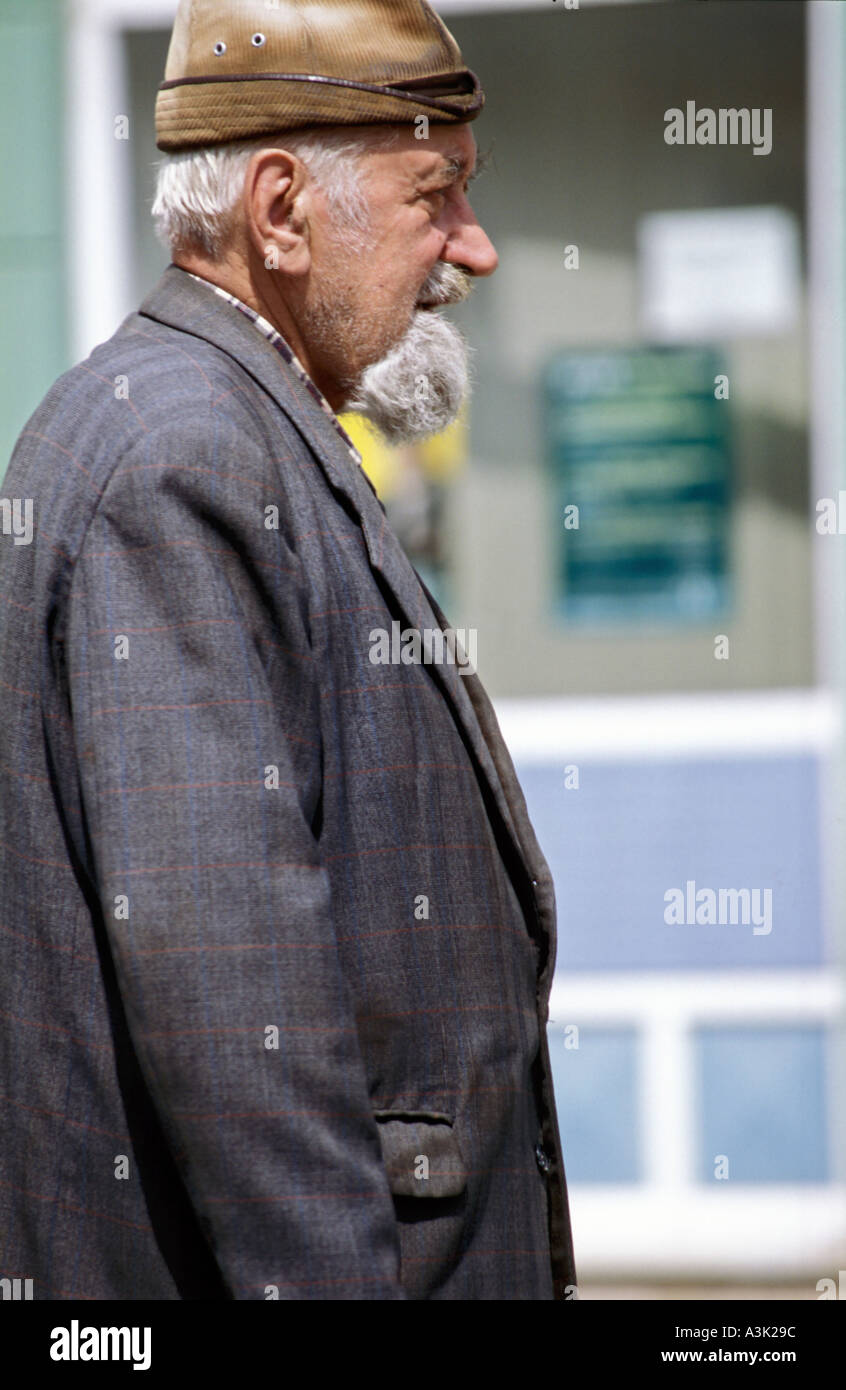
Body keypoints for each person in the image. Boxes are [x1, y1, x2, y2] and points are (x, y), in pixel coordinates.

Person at [0, 0, 577, 1300]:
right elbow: (231, 1026)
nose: (471, 249)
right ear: (279, 208)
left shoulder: (231, 425)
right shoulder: (184, 457)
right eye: (436, 193)